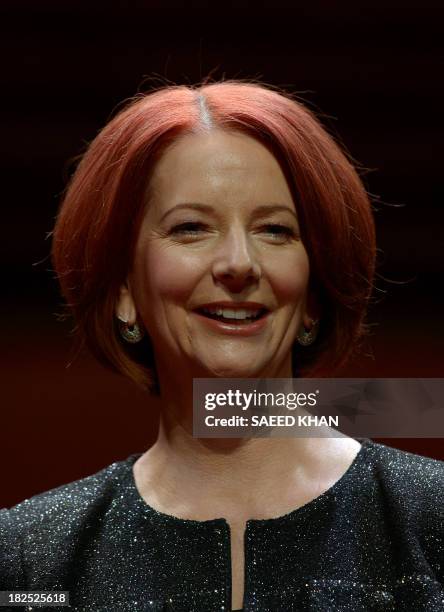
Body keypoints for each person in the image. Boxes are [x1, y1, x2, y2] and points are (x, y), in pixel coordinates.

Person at [1, 80, 443, 612]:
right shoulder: (32, 561)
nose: (238, 263)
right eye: (190, 228)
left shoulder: (429, 521)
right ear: (123, 290)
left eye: (275, 231)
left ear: (314, 296)